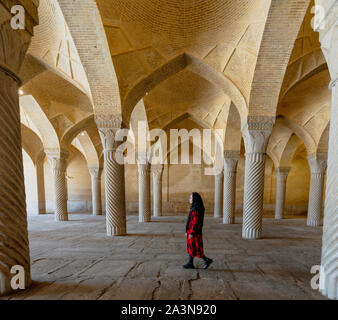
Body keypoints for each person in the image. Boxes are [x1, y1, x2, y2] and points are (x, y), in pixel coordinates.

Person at [183, 192, 213, 270]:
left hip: (194, 232)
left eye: (190, 197)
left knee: (196, 248)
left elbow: (194, 221)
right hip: (191, 231)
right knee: (192, 247)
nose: (189, 199)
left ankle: (207, 260)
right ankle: (190, 263)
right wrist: (187, 231)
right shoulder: (194, 207)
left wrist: (191, 232)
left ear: (195, 199)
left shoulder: (196, 209)